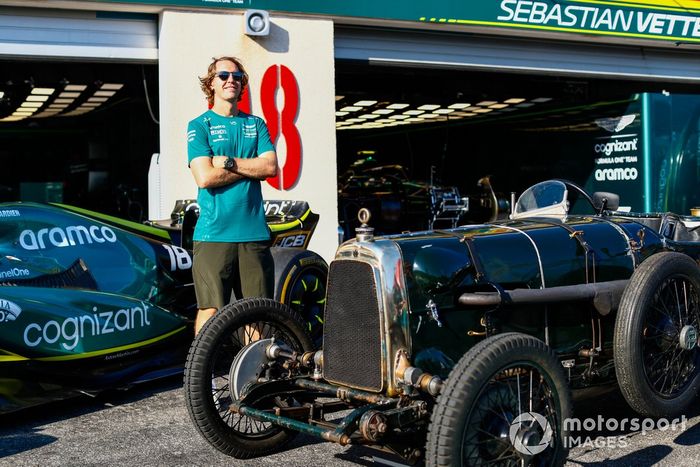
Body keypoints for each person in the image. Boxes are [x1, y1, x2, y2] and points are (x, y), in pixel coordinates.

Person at [186, 56, 277, 335]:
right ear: (211, 84)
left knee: (256, 314)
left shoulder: (257, 124)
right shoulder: (200, 125)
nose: (231, 81)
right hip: (214, 234)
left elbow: (271, 167)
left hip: (253, 234)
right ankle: (203, 377)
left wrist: (227, 162)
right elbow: (205, 177)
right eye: (223, 75)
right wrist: (251, 167)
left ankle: (253, 378)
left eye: (237, 77)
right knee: (210, 311)